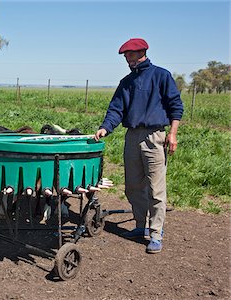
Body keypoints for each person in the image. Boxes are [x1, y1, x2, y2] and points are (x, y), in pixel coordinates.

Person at [94, 38, 184, 254]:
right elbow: (116, 109)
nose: (127, 58)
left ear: (142, 52)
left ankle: (155, 233)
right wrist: (105, 127)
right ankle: (140, 225)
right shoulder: (126, 82)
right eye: (125, 55)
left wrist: (172, 134)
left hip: (155, 136)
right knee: (133, 186)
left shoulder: (161, 75)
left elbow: (176, 106)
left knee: (156, 188)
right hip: (132, 137)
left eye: (130, 54)